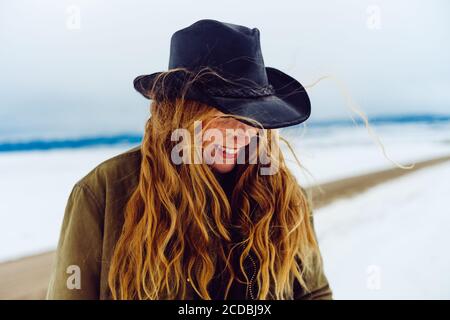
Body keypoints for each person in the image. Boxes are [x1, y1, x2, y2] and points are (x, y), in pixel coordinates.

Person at [46, 19, 332, 300]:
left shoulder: (282, 194)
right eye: (223, 117)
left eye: (251, 119)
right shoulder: (104, 192)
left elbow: (313, 292)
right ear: (180, 115)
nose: (240, 135)